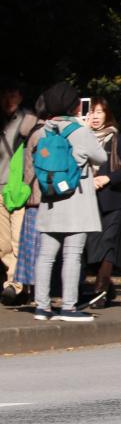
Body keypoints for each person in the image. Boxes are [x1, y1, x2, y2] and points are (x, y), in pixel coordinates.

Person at [29, 82, 107, 321]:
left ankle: (42, 306)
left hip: (50, 198)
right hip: (77, 200)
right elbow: (101, 156)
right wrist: (86, 131)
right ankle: (69, 307)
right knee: (72, 254)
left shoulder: (43, 131)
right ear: (74, 106)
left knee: (46, 255)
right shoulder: (80, 131)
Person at [82, 96, 121, 308]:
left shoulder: (115, 139)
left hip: (112, 201)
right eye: (92, 112)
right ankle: (107, 285)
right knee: (91, 249)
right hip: (86, 202)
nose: (95, 117)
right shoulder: (80, 136)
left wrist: (108, 178)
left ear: (107, 115)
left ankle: (100, 292)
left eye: (99, 112)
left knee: (108, 245)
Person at [1, 79, 37, 305]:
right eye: (6, 93)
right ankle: (12, 281)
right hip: (0, 187)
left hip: (20, 189)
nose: (9, 98)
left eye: (13, 93)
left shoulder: (28, 120)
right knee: (2, 243)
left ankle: (16, 285)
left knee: (17, 239)